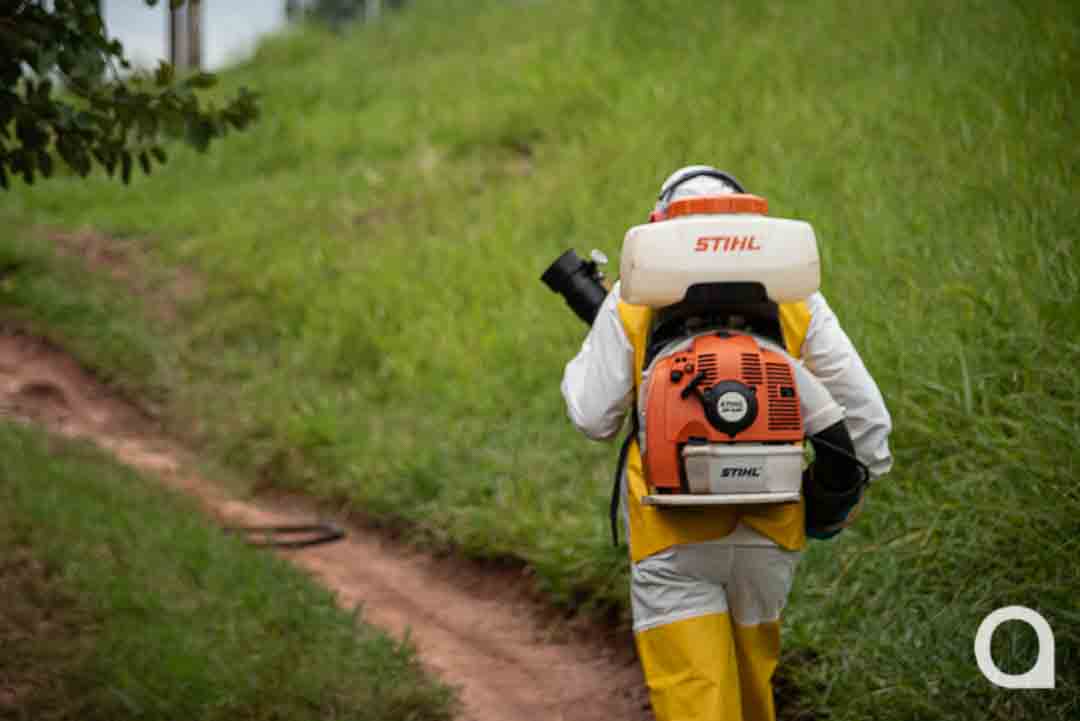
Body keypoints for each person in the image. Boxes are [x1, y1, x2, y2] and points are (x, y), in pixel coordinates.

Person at [560, 166, 893, 721]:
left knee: (695, 694)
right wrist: (835, 499)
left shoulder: (635, 295)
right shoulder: (796, 298)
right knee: (752, 691)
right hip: (770, 530)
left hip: (672, 533)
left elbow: (592, 416)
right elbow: (868, 425)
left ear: (659, 224)